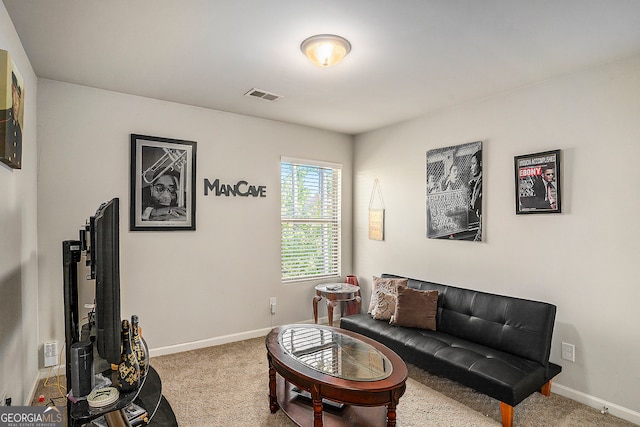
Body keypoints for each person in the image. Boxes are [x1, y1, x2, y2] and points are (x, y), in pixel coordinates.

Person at [0, 72, 23, 168]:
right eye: (14, 93)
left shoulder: (19, 131)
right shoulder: (3, 116)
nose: (16, 101)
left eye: (18, 96)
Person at [468, 150, 482, 241]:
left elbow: (473, 205)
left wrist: (471, 189)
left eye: (473, 164)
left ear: (480, 163)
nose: (471, 167)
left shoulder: (480, 181)